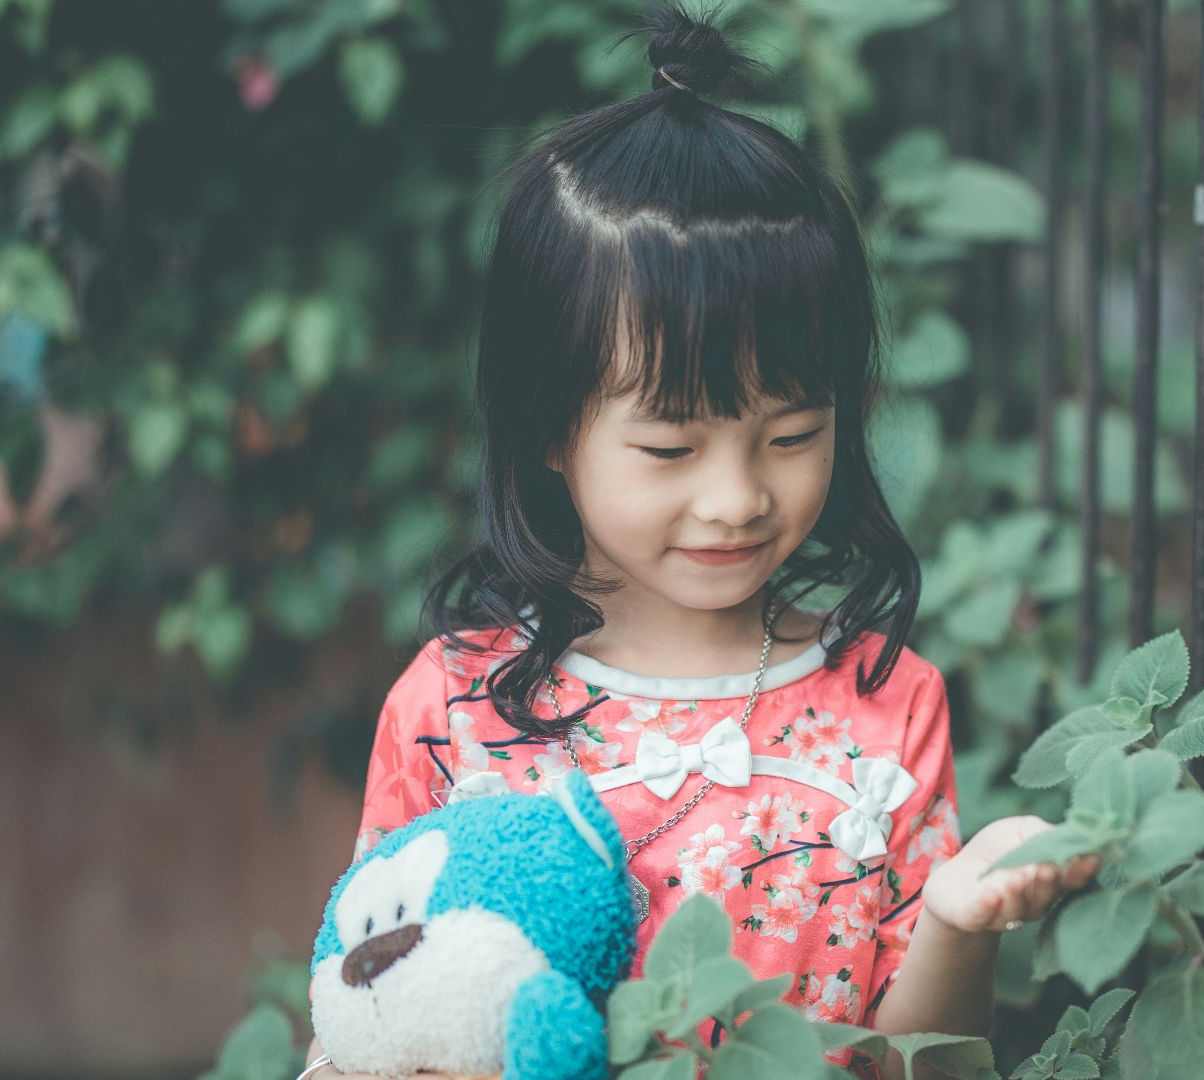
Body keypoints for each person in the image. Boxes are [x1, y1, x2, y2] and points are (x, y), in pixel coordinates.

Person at [300, 3, 1098, 1078]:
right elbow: (364, 1026)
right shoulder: (453, 712)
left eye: (792, 435)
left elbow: (927, 1065)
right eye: (671, 448)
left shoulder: (883, 708)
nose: (736, 499)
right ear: (547, 427)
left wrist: (958, 922)